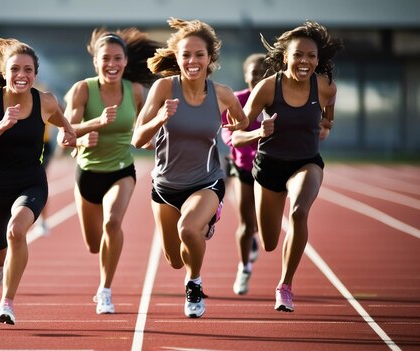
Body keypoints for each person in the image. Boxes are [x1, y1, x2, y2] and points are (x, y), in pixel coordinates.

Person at [131, 18, 248, 318]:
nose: (192, 61)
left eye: (199, 54)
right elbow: (137, 138)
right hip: (166, 186)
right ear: (178, 57)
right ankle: (200, 231)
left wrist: (235, 127)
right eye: (186, 55)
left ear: (210, 58)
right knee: (173, 258)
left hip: (206, 182)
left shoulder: (222, 94)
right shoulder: (163, 88)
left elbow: (242, 120)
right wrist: (159, 119)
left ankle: (194, 283)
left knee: (188, 228)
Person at [0, 32, 76, 325]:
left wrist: (68, 133)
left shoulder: (46, 101)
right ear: (4, 73)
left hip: (31, 181)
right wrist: (1, 125)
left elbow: (65, 124)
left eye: (28, 70)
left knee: (16, 231)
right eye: (15, 69)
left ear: (35, 74)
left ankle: (7, 303)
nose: (21, 75)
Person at [231, 20, 342, 312]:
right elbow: (237, 136)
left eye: (311, 56)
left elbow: (329, 117)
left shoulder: (326, 87)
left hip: (306, 162)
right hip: (269, 167)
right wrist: (258, 132)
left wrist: (325, 127)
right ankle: (260, 250)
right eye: (298, 55)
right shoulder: (268, 88)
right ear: (285, 57)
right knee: (268, 242)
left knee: (298, 211)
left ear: (318, 60)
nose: (305, 61)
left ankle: (285, 286)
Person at [64, 28, 161, 314]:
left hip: (121, 170)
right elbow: (65, 133)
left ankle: (105, 289)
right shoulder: (83, 89)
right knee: (94, 245)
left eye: (117, 58)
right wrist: (86, 131)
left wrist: (156, 138)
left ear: (125, 61)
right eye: (106, 58)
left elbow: (145, 128)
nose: (112, 64)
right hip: (88, 172)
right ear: (96, 62)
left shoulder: (135, 91)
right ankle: (103, 277)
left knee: (112, 224)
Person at [219, 53, 266, 295]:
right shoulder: (237, 100)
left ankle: (254, 236)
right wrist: (246, 137)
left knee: (263, 223)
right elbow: (228, 134)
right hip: (244, 169)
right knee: (246, 224)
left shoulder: (276, 101)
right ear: (246, 75)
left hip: (271, 170)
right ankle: (244, 268)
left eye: (263, 73)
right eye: (253, 73)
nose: (258, 78)